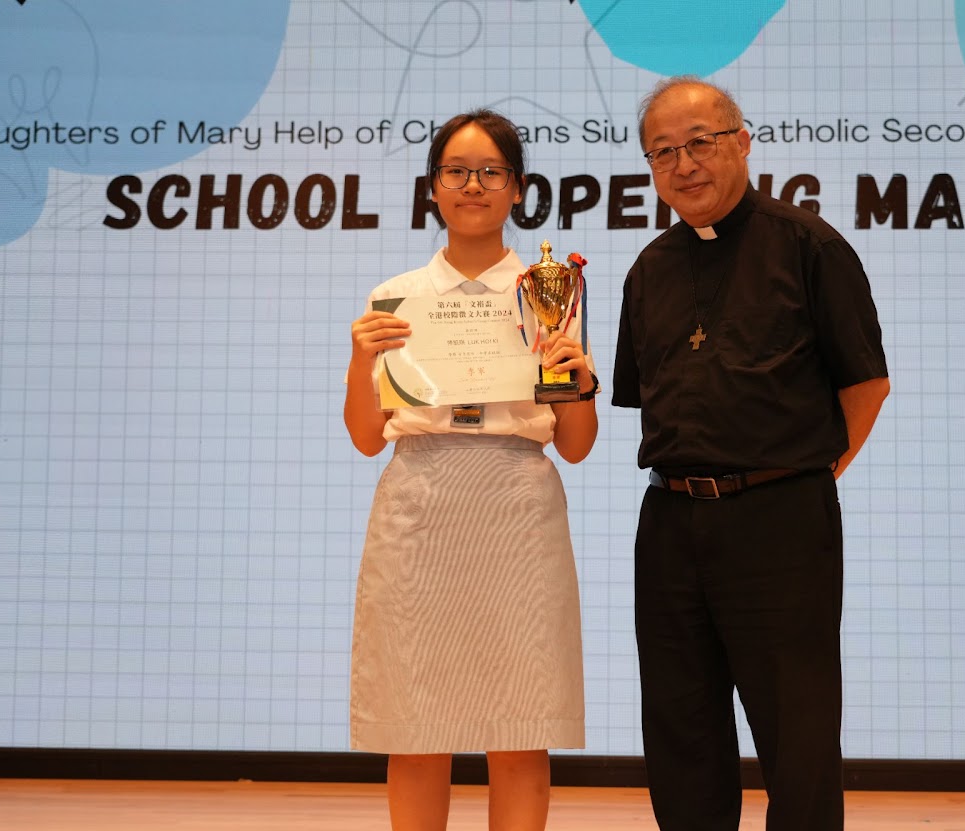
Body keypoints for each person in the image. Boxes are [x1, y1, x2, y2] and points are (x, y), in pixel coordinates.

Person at [611, 77, 889, 830]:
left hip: (781, 521)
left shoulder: (809, 246)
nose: (684, 164)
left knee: (797, 734)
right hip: (670, 523)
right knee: (681, 728)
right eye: (663, 152)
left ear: (741, 141)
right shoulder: (648, 269)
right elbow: (646, 396)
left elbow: (867, 384)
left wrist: (799, 476)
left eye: (700, 142)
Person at [343, 108, 599, 831]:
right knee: (416, 728)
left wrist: (580, 383)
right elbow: (365, 438)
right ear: (433, 188)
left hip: (517, 508)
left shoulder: (549, 292)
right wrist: (360, 361)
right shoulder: (394, 298)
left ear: (517, 188)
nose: (473, 185)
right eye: (456, 172)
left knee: (519, 726)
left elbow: (576, 446)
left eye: (491, 171)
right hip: (419, 507)